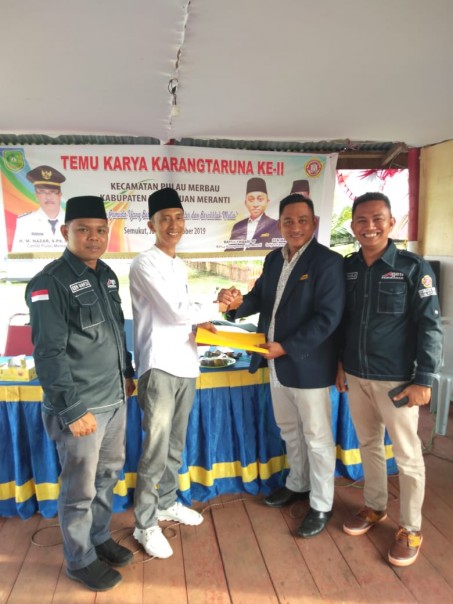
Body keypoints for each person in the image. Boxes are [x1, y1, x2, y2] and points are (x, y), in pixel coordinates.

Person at [25, 195, 135, 592]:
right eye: (83, 229)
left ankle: (98, 536)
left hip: (114, 400)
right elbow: (48, 354)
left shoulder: (106, 274)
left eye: (100, 230)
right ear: (64, 232)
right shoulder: (49, 282)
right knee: (79, 488)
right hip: (82, 408)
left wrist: (127, 373)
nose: (93, 237)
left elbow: (115, 331)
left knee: (107, 476)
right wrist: (72, 409)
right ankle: (79, 559)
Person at [219, 193, 345, 538]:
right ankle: (298, 484)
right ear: (280, 225)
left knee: (317, 437)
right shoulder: (274, 258)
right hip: (275, 363)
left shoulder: (328, 262)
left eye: (303, 220)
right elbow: (260, 298)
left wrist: (286, 347)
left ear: (314, 223)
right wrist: (234, 304)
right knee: (289, 430)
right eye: (288, 221)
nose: (295, 227)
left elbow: (328, 318)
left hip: (308, 365)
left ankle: (321, 504)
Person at [336, 191, 442, 567]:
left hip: (397, 381)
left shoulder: (414, 268)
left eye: (377, 219)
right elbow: (343, 322)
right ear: (353, 226)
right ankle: (375, 506)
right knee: (368, 444)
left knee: (408, 456)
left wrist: (424, 379)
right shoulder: (348, 268)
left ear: (391, 223)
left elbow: (430, 326)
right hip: (356, 375)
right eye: (361, 220)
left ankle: (411, 528)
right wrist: (340, 364)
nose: (370, 227)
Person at [129, 187, 227, 559]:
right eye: (165, 219)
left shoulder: (178, 264)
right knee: (155, 449)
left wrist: (202, 324)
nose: (173, 225)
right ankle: (144, 523)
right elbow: (173, 311)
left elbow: (183, 312)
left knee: (174, 445)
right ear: (151, 224)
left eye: (179, 217)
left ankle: (167, 502)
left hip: (186, 363)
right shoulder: (144, 263)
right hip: (158, 366)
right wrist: (216, 306)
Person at [13, 165, 67, 252]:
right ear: (36, 195)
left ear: (60, 195)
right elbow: (18, 255)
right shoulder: (25, 222)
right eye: (42, 192)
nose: (48, 197)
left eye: (53, 192)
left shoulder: (71, 221)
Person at [226, 177, 282, 250]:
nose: (255, 204)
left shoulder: (274, 225)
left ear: (267, 202)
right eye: (251, 200)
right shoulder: (238, 226)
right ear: (246, 203)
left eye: (260, 199)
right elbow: (230, 250)